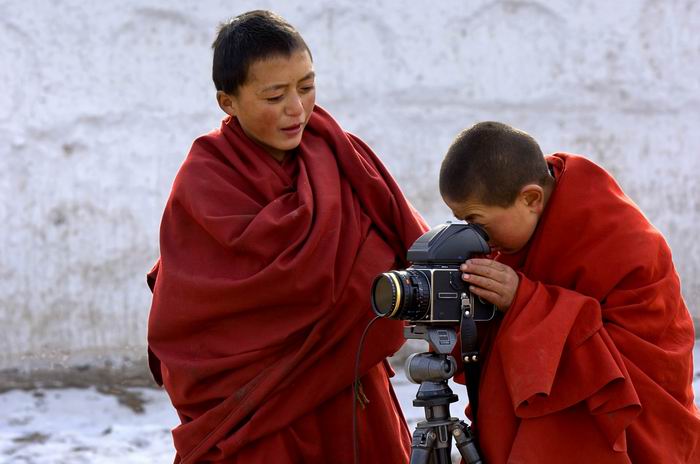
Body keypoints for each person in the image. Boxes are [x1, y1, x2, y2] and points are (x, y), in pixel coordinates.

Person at [146, 10, 428, 464]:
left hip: (349, 389)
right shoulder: (205, 180)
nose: (296, 109)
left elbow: (406, 241)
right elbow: (197, 307)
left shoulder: (340, 154)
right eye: (275, 95)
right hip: (258, 407)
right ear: (227, 102)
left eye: (306, 87)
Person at [439, 121, 700, 463]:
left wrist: (524, 301)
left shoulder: (627, 244)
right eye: (461, 222)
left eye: (478, 222)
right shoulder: (510, 230)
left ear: (531, 198)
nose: (474, 237)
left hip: (617, 425)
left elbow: (625, 369)